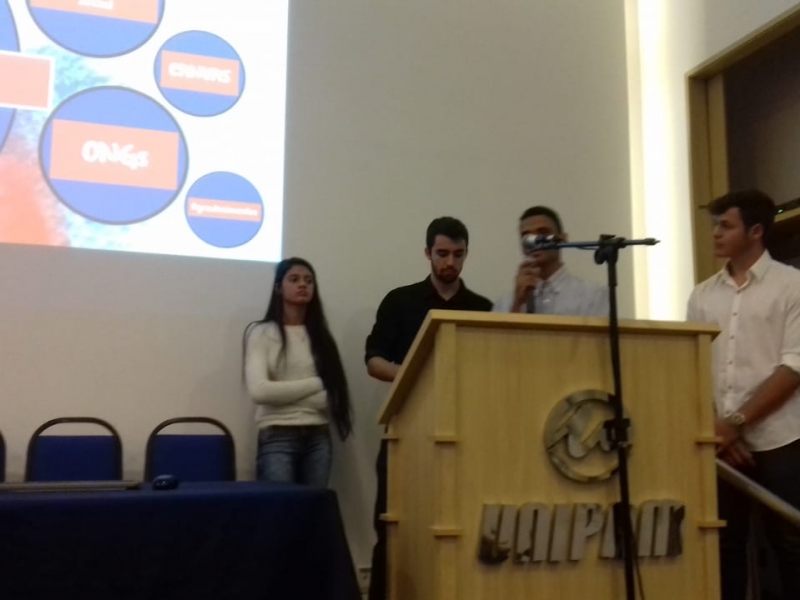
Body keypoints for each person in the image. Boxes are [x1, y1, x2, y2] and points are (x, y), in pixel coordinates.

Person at [364, 217, 493, 600]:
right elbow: (374, 361)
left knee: (460, 526)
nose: (450, 262)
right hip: (406, 431)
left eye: (458, 254)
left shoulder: (481, 307)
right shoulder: (400, 301)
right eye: (442, 253)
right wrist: (418, 375)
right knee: (392, 527)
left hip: (463, 435)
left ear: (467, 254)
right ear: (427, 253)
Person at [687, 189, 800, 599]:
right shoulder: (702, 295)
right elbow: (691, 367)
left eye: (726, 225)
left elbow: (794, 366)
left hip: (780, 438)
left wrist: (736, 422)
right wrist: (717, 427)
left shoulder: (792, 286)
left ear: (755, 232)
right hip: (719, 442)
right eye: (715, 225)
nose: (715, 234)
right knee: (723, 546)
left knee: (791, 544)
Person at [244, 257, 353, 487]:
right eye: (294, 279)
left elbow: (331, 397)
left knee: (312, 508)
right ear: (278, 287)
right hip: (277, 436)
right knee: (280, 507)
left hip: (318, 436)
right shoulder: (261, 332)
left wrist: (284, 395)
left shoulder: (321, 337)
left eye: (308, 280)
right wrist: (318, 382)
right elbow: (260, 392)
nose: (303, 284)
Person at [493, 205, 608, 317]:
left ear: (562, 239)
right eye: (527, 237)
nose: (534, 241)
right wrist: (518, 304)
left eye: (543, 233)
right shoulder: (504, 304)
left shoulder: (593, 295)